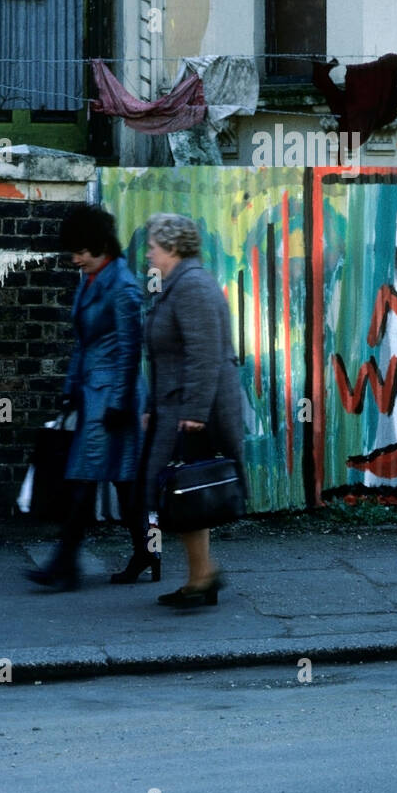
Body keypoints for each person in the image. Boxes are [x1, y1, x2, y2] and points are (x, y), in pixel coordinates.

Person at [26, 204, 153, 590]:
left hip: (114, 399)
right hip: (92, 395)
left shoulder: (124, 288)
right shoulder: (92, 280)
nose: (75, 258)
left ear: (101, 246)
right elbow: (83, 342)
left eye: (81, 250)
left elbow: (131, 351)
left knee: (83, 477)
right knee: (123, 482)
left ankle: (65, 566)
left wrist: (117, 404)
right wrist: (69, 390)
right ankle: (146, 550)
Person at [143, 212, 245, 608]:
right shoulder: (178, 285)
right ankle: (201, 575)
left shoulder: (193, 287)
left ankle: (203, 576)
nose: (148, 252)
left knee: (187, 492)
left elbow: (205, 354)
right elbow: (166, 357)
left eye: (153, 245)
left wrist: (196, 413)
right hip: (176, 406)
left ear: (172, 247)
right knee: (187, 494)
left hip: (193, 410)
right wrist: (154, 406)